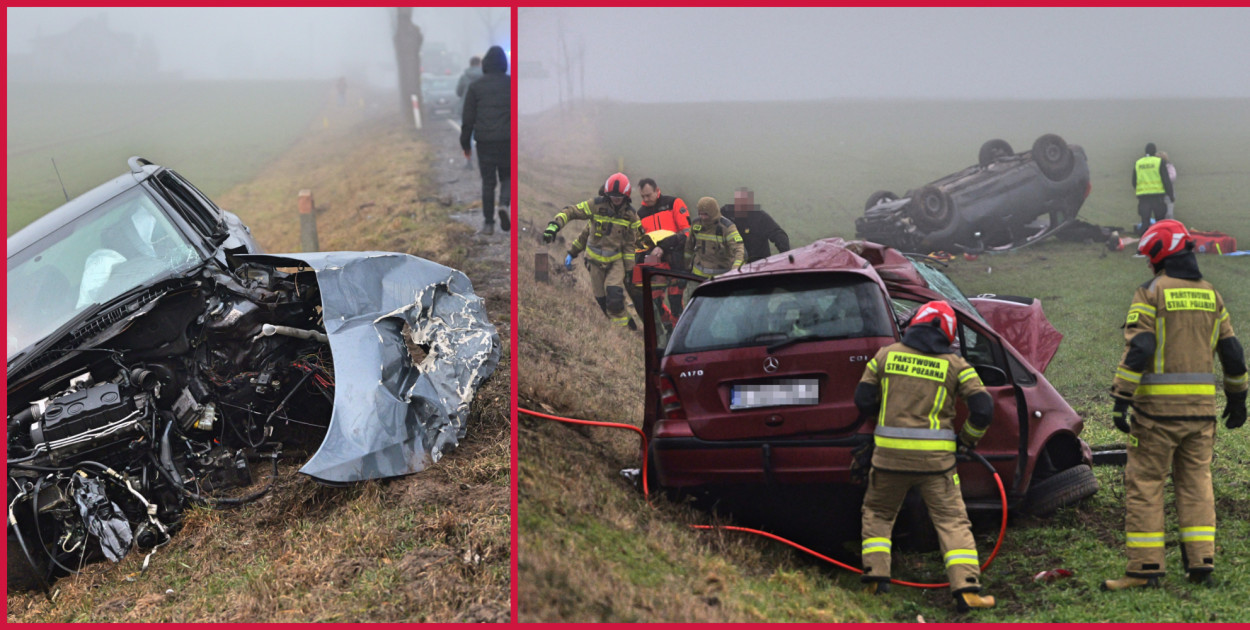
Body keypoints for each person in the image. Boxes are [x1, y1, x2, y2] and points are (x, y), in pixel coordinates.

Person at [1102, 219, 1247, 591]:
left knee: (1146, 484)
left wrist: (1121, 396)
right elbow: (1231, 351)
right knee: (1197, 483)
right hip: (1202, 414)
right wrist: (1238, 397)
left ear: (1159, 256)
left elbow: (1142, 348)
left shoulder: (1151, 292)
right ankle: (1202, 565)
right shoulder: (1211, 294)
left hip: (1156, 416)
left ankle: (1144, 569)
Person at [854, 300, 997, 612]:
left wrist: (887, 417)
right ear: (947, 334)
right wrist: (967, 441)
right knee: (951, 521)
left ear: (915, 323)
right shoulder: (956, 365)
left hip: (888, 461)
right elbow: (984, 409)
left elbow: (863, 398)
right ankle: (967, 590)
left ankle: (876, 580)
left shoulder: (886, 355)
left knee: (878, 515)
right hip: (937, 465)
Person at [543, 173, 643, 328]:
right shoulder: (595, 206)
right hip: (594, 261)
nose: (616, 199)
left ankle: (626, 329)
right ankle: (621, 326)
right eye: (612, 196)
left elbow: (630, 244)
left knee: (614, 295)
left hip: (615, 262)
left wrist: (630, 269)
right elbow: (572, 212)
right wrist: (555, 226)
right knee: (602, 301)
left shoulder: (631, 216)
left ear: (627, 196)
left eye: (619, 196)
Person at [460, 46, 510, 235]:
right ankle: (504, 204)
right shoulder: (511, 84)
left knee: (488, 182)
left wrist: (466, 144)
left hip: (485, 141)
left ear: (485, 65)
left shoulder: (475, 87)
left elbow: (468, 119)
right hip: (507, 140)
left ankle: (488, 224)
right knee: (508, 176)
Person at [631, 178, 691, 323]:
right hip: (656, 263)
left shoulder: (674, 203)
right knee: (655, 303)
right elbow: (639, 244)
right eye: (643, 196)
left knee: (676, 301)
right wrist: (647, 257)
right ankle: (669, 327)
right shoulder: (640, 215)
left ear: (657, 190)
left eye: (648, 195)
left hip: (676, 261)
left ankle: (679, 329)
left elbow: (687, 233)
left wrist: (664, 246)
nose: (646, 199)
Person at [719, 187, 790, 263]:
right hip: (733, 263)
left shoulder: (760, 216)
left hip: (759, 264)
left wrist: (785, 256)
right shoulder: (726, 212)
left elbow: (777, 233)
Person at [686, 196, 744, 285]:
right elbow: (688, 247)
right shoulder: (696, 224)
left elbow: (739, 249)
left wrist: (735, 270)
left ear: (713, 212)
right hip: (697, 277)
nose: (702, 217)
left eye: (705, 214)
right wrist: (685, 267)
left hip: (720, 277)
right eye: (700, 214)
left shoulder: (727, 227)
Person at [1132, 143, 1174, 235]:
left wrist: (1140, 190)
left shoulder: (1138, 163)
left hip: (1143, 197)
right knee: (1160, 223)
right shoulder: (1159, 162)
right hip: (1157, 197)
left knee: (1145, 222)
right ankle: (1161, 241)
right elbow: (1166, 180)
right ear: (1154, 152)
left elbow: (1134, 181)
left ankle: (1143, 242)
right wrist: (1171, 195)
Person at [1156, 150, 1178, 219]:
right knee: (1159, 215)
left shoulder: (1169, 166)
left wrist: (1163, 178)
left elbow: (1172, 177)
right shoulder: (1155, 168)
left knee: (1169, 214)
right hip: (1158, 194)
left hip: (1167, 194)